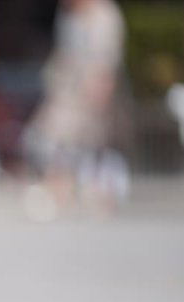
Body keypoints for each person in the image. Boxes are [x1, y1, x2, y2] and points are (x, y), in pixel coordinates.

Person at [21, 0, 128, 218]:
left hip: (90, 95)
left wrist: (100, 94)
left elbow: (105, 62)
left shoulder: (104, 16)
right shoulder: (68, 16)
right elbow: (63, 57)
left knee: (85, 148)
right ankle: (59, 191)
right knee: (51, 142)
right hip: (66, 94)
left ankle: (87, 193)